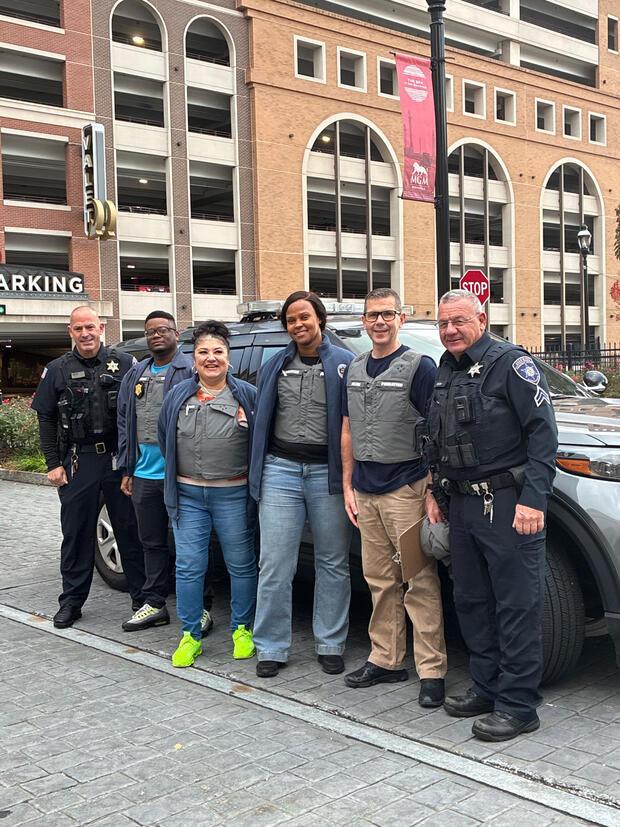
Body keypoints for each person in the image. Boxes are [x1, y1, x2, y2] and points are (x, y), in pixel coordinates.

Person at [426, 289, 558, 741]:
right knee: (472, 600)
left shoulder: (511, 363)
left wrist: (534, 500)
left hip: (508, 503)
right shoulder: (447, 366)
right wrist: (434, 489)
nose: (450, 331)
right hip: (461, 502)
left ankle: (520, 705)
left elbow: (543, 436)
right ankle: (486, 687)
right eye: (444, 324)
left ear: (481, 319)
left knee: (516, 605)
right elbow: (438, 436)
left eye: (459, 321)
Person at [341, 288, 447, 707]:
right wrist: (348, 485)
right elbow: (348, 429)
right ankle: (387, 659)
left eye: (387, 314)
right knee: (380, 582)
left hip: (406, 488)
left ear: (400, 318)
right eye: (372, 316)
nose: (379, 322)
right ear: (364, 322)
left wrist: (432, 490)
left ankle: (432, 670)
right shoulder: (353, 367)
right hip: (365, 491)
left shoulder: (420, 367)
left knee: (419, 582)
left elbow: (436, 432)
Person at [249, 291, 354, 678]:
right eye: (291, 319)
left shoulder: (345, 363)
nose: (298, 324)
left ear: (319, 319)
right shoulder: (275, 363)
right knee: (275, 563)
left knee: (332, 560)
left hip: (328, 474)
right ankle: (271, 647)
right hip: (281, 470)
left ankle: (330, 643)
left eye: (304, 317)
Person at [32, 306, 145, 628]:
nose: (85, 334)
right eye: (79, 328)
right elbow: (46, 417)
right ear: (71, 331)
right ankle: (71, 603)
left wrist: (135, 464)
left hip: (119, 460)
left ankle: (142, 600)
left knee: (130, 530)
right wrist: (53, 464)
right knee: (76, 535)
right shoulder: (57, 369)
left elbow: (141, 412)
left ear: (102, 327)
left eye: (90, 327)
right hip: (79, 461)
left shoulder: (125, 364)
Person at [158, 321, 258, 667]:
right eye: (203, 352)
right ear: (193, 357)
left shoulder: (246, 395)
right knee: (188, 568)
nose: (211, 358)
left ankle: (242, 630)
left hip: (233, 496)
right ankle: (190, 636)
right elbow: (164, 438)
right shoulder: (177, 396)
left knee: (241, 566)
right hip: (188, 496)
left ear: (228, 358)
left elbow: (259, 444)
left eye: (218, 352)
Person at [117, 311, 214, 636]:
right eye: (150, 331)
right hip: (144, 474)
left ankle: (201, 608)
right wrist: (127, 467)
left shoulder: (190, 369)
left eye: (163, 330)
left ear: (176, 333)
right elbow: (125, 420)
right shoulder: (137, 371)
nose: (156, 335)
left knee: (191, 545)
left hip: (182, 474)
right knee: (152, 543)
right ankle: (155, 603)